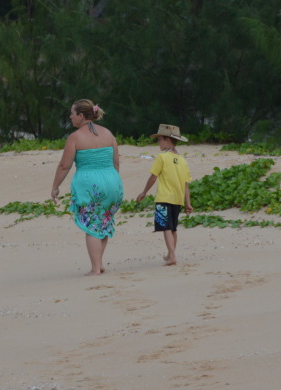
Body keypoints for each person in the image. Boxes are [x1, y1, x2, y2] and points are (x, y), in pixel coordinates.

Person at [51, 99, 124, 276]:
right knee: (104, 221)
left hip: (90, 184)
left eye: (72, 113)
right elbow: (116, 162)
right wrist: (112, 180)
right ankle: (99, 263)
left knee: (92, 225)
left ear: (81, 116)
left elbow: (64, 166)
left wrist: (55, 186)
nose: (70, 117)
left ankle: (95, 268)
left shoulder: (75, 137)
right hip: (112, 181)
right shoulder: (108, 134)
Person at [135, 124, 193, 266]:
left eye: (159, 140)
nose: (158, 143)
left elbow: (153, 177)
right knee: (173, 228)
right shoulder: (182, 160)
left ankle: (172, 256)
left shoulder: (162, 157)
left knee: (166, 227)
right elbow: (186, 184)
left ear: (167, 140)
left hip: (163, 198)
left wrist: (144, 192)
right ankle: (170, 254)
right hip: (178, 200)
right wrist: (188, 203)